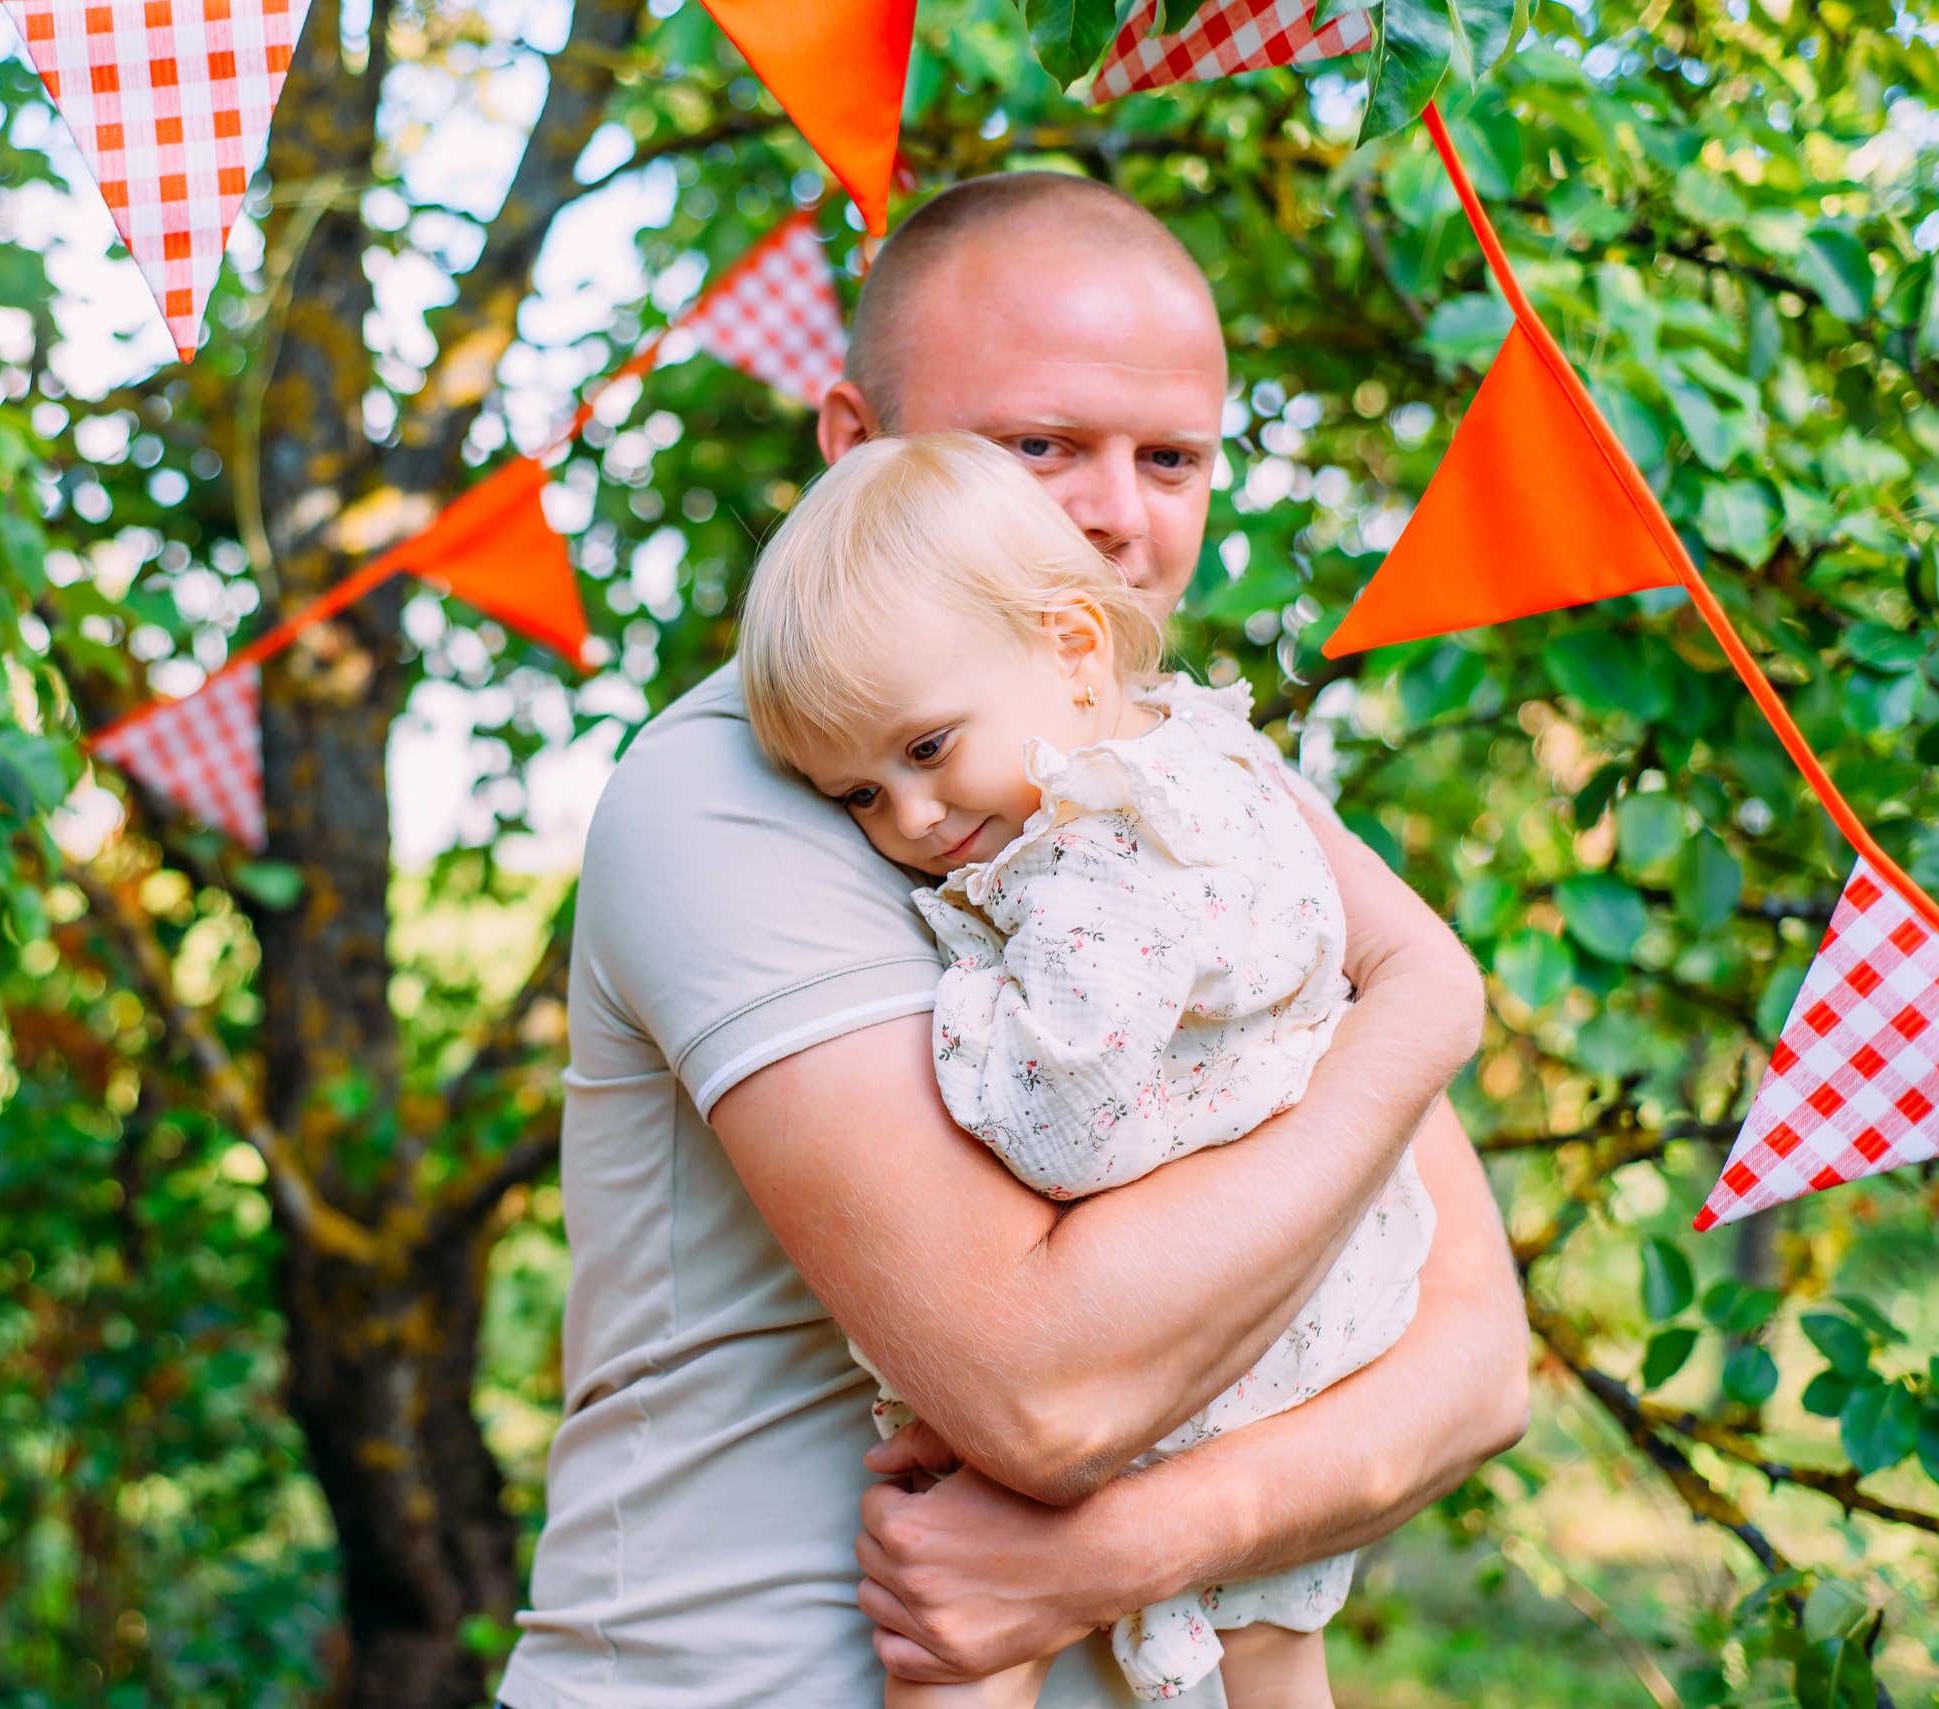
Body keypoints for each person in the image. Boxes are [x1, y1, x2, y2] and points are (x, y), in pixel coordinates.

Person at [496, 173, 1528, 1709]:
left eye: (1170, 456)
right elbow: (1043, 1389)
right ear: (856, 448)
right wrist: (1420, 1005)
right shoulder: (743, 798)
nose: (1116, 512)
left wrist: (1120, 1554)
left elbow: (1470, 1362)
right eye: (1038, 445)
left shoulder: (1191, 781)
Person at [739, 430, 1443, 1709]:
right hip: (1308, 1293)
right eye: (852, 795)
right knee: (1275, 1643)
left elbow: (1073, 1130)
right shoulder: (1207, 757)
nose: (908, 820)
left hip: (1200, 1324)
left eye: (927, 747)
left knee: (960, 1615)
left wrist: (956, 1012)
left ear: (1072, 650)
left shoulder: (1092, 869)